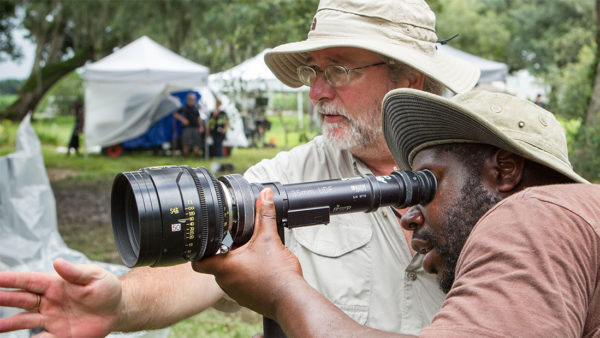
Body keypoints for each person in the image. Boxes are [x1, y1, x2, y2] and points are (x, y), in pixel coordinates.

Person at [0, 0, 479, 336]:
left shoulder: (490, 177)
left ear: (409, 79)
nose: (316, 91)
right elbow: (197, 270)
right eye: (314, 71)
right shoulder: (291, 174)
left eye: (339, 70)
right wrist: (119, 303)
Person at [193, 88, 599, 337]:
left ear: (505, 171)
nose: (408, 216)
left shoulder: (533, 214)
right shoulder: (579, 223)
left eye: (426, 185)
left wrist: (284, 295)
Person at [174, 92, 204, 157]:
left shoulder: (195, 108)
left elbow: (199, 118)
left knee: (196, 141)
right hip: (187, 128)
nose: (192, 101)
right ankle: (185, 155)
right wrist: (183, 119)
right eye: (191, 99)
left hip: (195, 127)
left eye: (193, 99)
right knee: (186, 141)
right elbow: (176, 115)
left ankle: (196, 155)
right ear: (188, 99)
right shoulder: (184, 107)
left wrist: (201, 126)